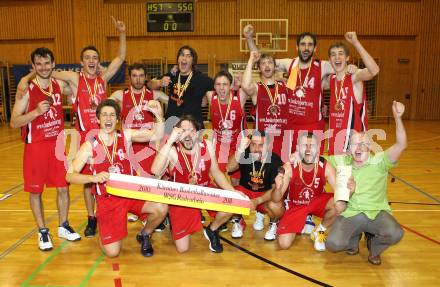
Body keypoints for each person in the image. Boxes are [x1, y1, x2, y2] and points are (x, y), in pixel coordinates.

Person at [51, 17, 127, 237]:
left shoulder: (102, 80)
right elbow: (51, 71)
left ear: (98, 61)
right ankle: (91, 217)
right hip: (86, 138)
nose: (91, 61)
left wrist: (121, 33)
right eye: (87, 58)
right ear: (82, 62)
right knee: (87, 181)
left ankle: (107, 212)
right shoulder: (75, 79)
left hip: (106, 135)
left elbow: (120, 57)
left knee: (108, 174)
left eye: (95, 58)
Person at [65, 99, 168, 258]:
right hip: (108, 200)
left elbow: (157, 135)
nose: (108, 119)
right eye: (104, 115)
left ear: (117, 119)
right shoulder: (89, 145)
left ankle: (145, 234)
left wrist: (159, 116)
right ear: (98, 119)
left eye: (112, 115)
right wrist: (93, 178)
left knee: (161, 207)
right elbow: (70, 175)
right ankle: (104, 229)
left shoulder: (125, 136)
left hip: (131, 194)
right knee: (113, 253)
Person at [10, 47, 80, 251]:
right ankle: (42, 231)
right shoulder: (26, 90)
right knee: (35, 191)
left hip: (57, 146)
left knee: (63, 187)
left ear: (53, 64)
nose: (43, 67)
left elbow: (76, 81)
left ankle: (63, 225)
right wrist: (35, 112)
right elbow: (14, 122)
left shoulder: (58, 85)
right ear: (32, 66)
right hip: (35, 147)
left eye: (47, 63)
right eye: (38, 64)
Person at [325, 101, 406, 265]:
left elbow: (401, 144)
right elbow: (317, 160)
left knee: (396, 233)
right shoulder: (342, 160)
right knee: (333, 244)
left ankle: (374, 246)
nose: (359, 147)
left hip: (376, 212)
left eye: (364, 143)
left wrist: (398, 118)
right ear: (348, 148)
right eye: (355, 143)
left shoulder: (381, 161)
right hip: (351, 214)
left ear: (370, 146)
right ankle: (353, 239)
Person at [151, 115, 241, 253]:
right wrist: (169, 141)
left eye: (191, 131)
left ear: (198, 133)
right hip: (182, 197)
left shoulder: (207, 145)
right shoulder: (173, 150)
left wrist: (233, 192)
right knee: (183, 249)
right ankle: (171, 215)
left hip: (204, 190)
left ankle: (213, 230)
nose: (187, 135)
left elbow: (216, 173)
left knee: (232, 202)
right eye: (183, 131)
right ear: (177, 133)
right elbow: (155, 170)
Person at [243, 26, 334, 154]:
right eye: (303, 44)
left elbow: (342, 68)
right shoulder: (289, 64)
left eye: (310, 45)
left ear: (315, 48)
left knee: (312, 165)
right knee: (292, 165)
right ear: (297, 47)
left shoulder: (322, 66)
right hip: (291, 127)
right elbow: (261, 60)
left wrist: (351, 68)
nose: (306, 48)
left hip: (313, 126)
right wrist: (249, 38)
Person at [271, 132, 355, 251]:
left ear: (318, 149)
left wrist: (350, 192)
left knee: (340, 205)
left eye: (313, 146)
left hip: (316, 202)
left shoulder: (325, 166)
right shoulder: (289, 167)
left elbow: (341, 195)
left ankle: (320, 231)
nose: (309, 149)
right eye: (305, 145)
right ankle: (299, 221)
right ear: (298, 148)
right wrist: (277, 188)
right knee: (284, 244)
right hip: (296, 204)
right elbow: (275, 199)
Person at [110, 62, 168, 177]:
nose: (138, 79)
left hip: (148, 147)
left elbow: (179, 102)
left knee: (148, 183)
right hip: (127, 146)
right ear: (130, 77)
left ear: (146, 77)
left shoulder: (154, 95)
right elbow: (101, 107)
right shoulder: (119, 95)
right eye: (134, 76)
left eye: (141, 76)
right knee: (127, 184)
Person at [326, 32, 379, 155]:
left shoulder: (354, 77)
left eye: (340, 54)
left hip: (354, 146)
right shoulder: (331, 80)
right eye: (333, 55)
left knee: (352, 175)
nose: (337, 57)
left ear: (347, 58)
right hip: (335, 143)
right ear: (329, 60)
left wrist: (355, 42)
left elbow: (374, 70)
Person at [226, 130, 283, 240]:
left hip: (264, 195)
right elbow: (229, 168)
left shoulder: (275, 160)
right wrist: (240, 149)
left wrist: (258, 201)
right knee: (231, 197)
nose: (256, 149)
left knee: (277, 205)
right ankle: (239, 221)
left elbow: (275, 189)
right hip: (246, 192)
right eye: (253, 144)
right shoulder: (245, 154)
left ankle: (273, 223)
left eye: (261, 145)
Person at [241, 51, 291, 162]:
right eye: (263, 63)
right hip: (262, 142)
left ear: (275, 67)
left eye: (270, 63)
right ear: (259, 68)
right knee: (262, 177)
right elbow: (245, 85)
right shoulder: (257, 88)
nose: (267, 65)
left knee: (281, 176)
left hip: (283, 141)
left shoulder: (285, 86)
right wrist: (251, 60)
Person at [206, 70, 247, 185]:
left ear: (230, 86)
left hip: (236, 144)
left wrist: (241, 82)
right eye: (218, 84)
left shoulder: (240, 97)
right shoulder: (210, 97)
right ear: (214, 86)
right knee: (218, 178)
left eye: (225, 84)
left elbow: (248, 87)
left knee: (235, 180)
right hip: (220, 144)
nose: (221, 88)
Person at [163, 46, 214, 127]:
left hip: (193, 128)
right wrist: (160, 82)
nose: (184, 58)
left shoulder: (202, 79)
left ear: (193, 61)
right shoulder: (172, 74)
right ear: (178, 59)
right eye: (182, 55)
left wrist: (206, 98)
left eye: (188, 56)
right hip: (171, 126)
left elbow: (217, 88)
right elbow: (150, 85)